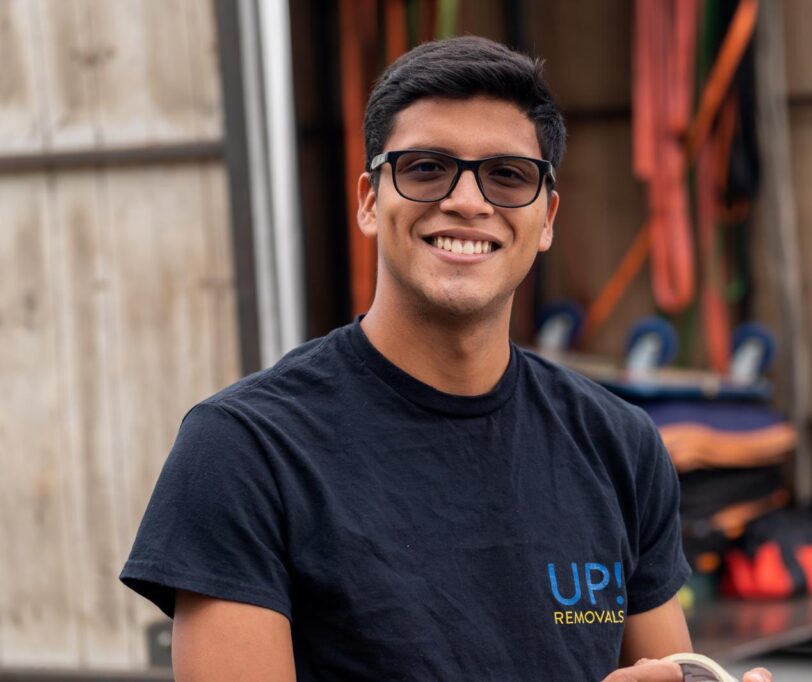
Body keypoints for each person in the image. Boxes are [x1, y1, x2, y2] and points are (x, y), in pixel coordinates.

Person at [120, 36, 770, 682]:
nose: (467, 200)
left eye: (507, 175)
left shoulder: (618, 447)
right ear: (369, 201)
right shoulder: (245, 451)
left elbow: (671, 674)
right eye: (426, 167)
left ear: (547, 219)